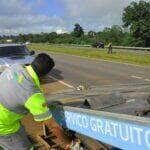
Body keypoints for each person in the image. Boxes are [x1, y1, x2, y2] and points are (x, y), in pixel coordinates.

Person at [0, 53, 56, 150]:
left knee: (21, 132)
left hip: (9, 119)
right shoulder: (32, 92)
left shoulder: (15, 67)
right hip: (4, 127)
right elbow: (51, 125)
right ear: (44, 75)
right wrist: (70, 143)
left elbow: (18, 92)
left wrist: (47, 104)